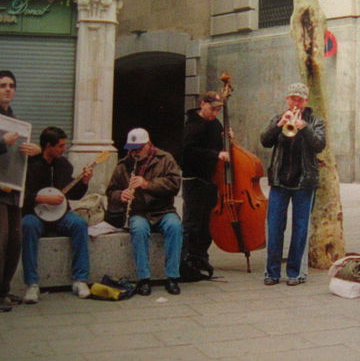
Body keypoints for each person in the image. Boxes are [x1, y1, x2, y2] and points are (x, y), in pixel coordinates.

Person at [260, 82, 326, 286]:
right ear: (287, 99)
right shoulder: (278, 118)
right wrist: (279, 125)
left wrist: (303, 128)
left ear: (306, 101)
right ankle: (272, 273)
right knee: (274, 227)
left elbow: (319, 145)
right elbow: (264, 141)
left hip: (304, 182)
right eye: (292, 98)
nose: (295, 102)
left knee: (300, 228)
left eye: (299, 99)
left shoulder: (316, 121)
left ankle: (295, 272)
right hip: (280, 181)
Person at [107, 128, 183, 295]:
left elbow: (174, 184)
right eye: (131, 149)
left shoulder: (165, 159)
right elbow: (110, 192)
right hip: (139, 211)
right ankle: (144, 278)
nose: (134, 153)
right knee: (139, 230)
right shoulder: (123, 165)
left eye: (138, 149)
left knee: (175, 227)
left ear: (148, 145)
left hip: (164, 210)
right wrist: (121, 195)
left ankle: (172, 277)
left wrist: (147, 184)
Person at [21, 127, 93, 304]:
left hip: (61, 216)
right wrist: (41, 198)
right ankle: (32, 284)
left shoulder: (64, 165)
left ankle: (80, 279)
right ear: (48, 146)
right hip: (35, 214)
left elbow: (74, 195)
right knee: (27, 225)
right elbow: (21, 195)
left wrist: (84, 182)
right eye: (60, 146)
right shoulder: (29, 165)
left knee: (79, 224)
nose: (63, 149)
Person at [0, 71, 42, 312]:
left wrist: (33, 150)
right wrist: (2, 143)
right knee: (1, 241)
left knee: (14, 242)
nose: (8, 89)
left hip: (13, 190)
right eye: (3, 85)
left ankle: (4, 289)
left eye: (11, 86)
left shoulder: (12, 118)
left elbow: (17, 158)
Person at [179, 91, 229, 279]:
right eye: (213, 108)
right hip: (193, 178)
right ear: (203, 104)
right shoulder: (192, 124)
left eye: (218, 110)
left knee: (207, 223)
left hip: (211, 179)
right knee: (192, 222)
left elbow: (219, 148)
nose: (215, 113)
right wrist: (215, 154)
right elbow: (189, 151)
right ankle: (186, 260)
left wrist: (227, 140)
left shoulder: (216, 124)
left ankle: (201, 256)